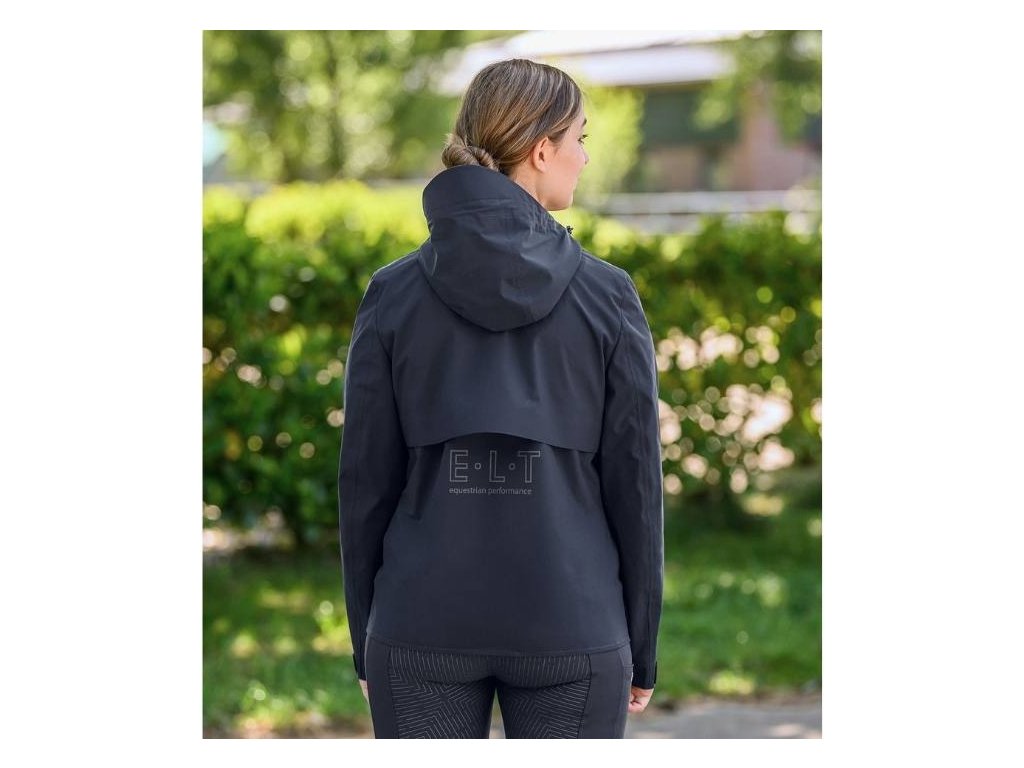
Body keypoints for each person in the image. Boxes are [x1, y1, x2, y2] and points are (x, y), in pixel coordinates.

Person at [337, 57, 664, 739]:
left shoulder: (392, 294)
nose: (583, 157)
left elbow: (365, 481)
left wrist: (365, 629)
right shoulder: (608, 296)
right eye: (580, 139)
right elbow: (635, 483)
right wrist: (642, 641)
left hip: (417, 626)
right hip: (574, 625)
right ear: (542, 150)